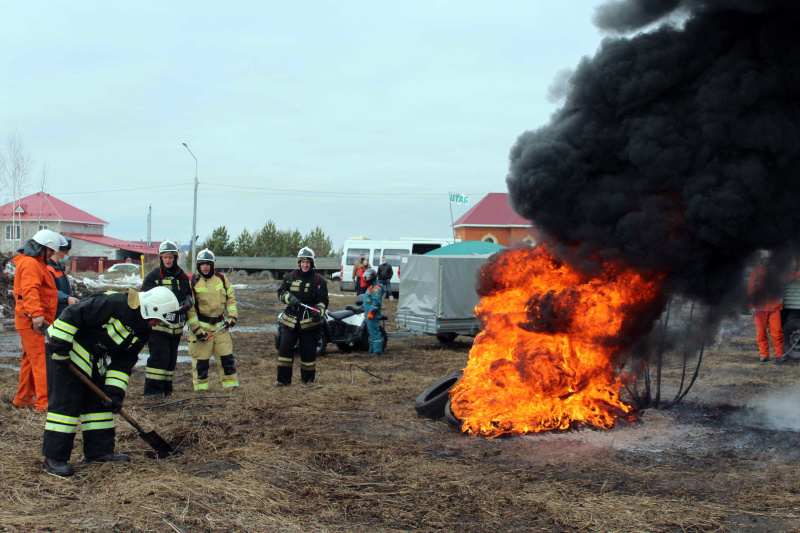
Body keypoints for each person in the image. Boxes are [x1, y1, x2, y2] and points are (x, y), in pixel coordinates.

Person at [42, 286, 180, 477]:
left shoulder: (142, 331)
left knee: (99, 405)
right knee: (66, 405)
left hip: (92, 358)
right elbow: (73, 313)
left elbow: (123, 362)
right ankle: (54, 457)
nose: (157, 324)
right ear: (151, 308)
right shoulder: (114, 303)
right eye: (158, 319)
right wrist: (60, 346)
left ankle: (99, 452)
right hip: (65, 350)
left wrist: (114, 393)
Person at [12, 229, 65, 412]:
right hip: (31, 320)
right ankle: (44, 403)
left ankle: (24, 398)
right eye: (50, 250)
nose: (52, 254)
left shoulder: (35, 263)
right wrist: (36, 315)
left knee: (31, 358)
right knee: (40, 360)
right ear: (41, 248)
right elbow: (30, 290)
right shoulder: (30, 264)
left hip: (31, 319)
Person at [140, 240, 193, 398]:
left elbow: (187, 294)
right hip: (158, 326)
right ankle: (152, 391)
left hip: (175, 327)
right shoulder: (154, 276)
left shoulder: (182, 277)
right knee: (159, 358)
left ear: (175, 258)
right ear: (160, 258)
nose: (168, 260)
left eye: (170, 257)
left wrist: (188, 301)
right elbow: (144, 297)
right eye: (165, 257)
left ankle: (166, 389)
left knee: (170, 360)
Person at [186, 249, 239, 391]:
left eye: (208, 264)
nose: (205, 267)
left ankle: (231, 386)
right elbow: (189, 310)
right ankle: (201, 389)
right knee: (200, 362)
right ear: (198, 265)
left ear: (212, 265)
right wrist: (197, 330)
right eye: (202, 264)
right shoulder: (192, 282)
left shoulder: (221, 279)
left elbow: (231, 299)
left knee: (226, 358)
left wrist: (232, 316)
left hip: (221, 328)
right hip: (202, 329)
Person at [276, 247, 328, 386]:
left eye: (307, 262)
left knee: (308, 355)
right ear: (299, 262)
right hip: (289, 322)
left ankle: (307, 381)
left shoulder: (319, 281)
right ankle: (283, 381)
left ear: (312, 263)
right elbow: (281, 292)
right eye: (302, 262)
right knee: (284, 351)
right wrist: (288, 298)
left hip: (309, 324)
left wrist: (320, 311)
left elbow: (323, 301)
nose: (305, 265)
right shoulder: (289, 277)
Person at [747, 251, 800, 363]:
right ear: (763, 260)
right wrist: (751, 306)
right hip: (759, 308)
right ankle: (764, 355)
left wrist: (798, 274)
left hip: (774, 308)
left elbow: (788, 275)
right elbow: (750, 290)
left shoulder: (775, 272)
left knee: (777, 333)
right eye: (766, 259)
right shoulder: (756, 273)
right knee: (761, 334)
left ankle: (779, 355)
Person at [46, 237, 79, 319]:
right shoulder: (49, 269)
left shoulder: (59, 269)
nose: (67, 256)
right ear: (57, 251)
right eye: (65, 253)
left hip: (61, 309)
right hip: (54, 311)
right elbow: (49, 290)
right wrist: (66, 298)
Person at [362, 268, 385, 354]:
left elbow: (376, 301)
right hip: (369, 315)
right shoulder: (370, 287)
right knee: (370, 332)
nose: (366, 279)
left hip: (373, 315)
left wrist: (371, 311)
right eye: (366, 277)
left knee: (375, 332)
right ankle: (371, 349)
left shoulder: (376, 288)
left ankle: (377, 351)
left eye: (368, 277)